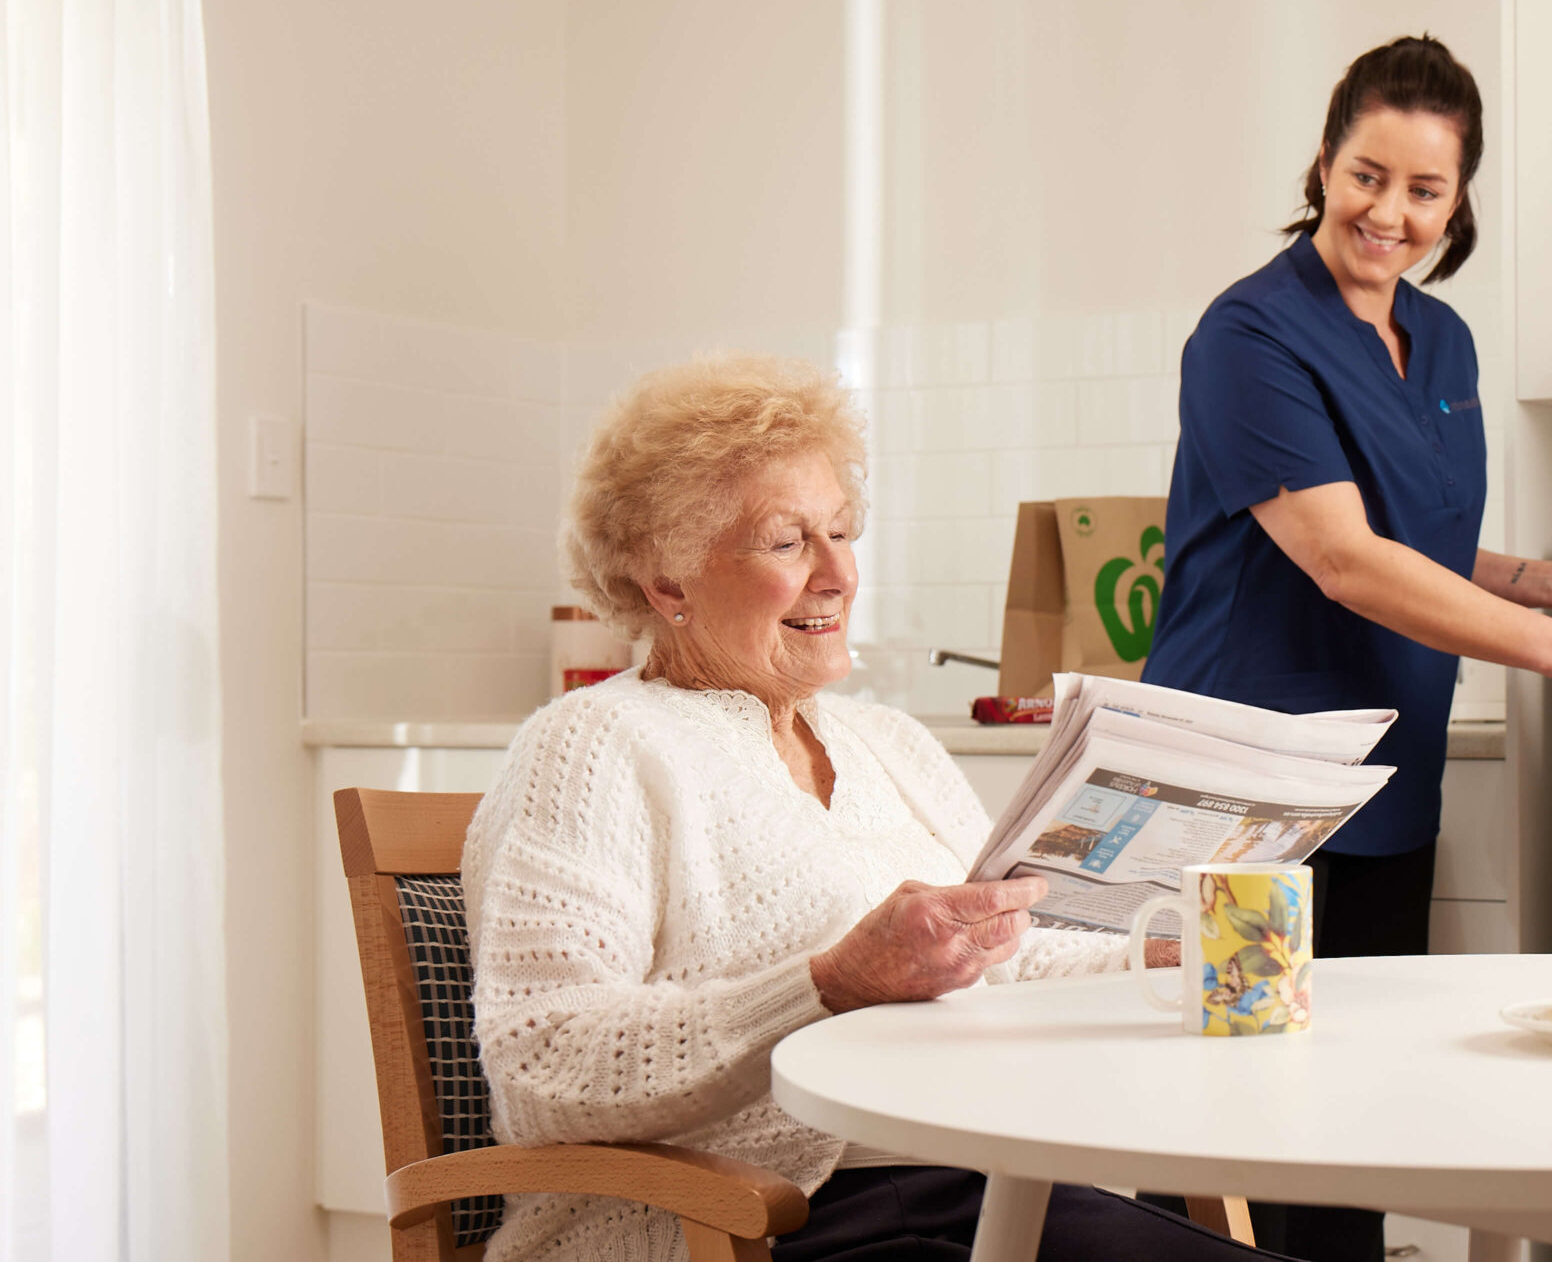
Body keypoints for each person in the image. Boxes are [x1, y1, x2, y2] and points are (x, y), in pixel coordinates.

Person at [461, 352, 1287, 1262]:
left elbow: (1003, 957)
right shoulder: (594, 745)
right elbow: (545, 1066)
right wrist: (828, 985)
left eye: (842, 533)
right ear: (667, 581)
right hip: (747, 1221)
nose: (837, 575)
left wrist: (1170, 953)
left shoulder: (885, 743)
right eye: (786, 542)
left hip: (979, 1183)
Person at [1142, 37, 1552, 1261]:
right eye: (1369, 175)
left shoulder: (1444, 341)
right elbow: (1340, 556)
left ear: (1458, 198)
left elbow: (1412, 535)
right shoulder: (1247, 337)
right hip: (1253, 792)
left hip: (1385, 775)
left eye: (1425, 190)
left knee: (1351, 1114)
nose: (1390, 213)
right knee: (1240, 1129)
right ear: (1323, 161)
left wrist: (1545, 584)